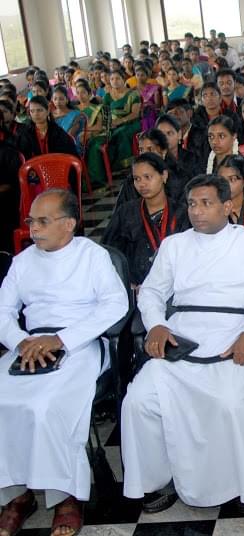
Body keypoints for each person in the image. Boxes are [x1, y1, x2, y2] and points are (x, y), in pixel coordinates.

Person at [121, 174, 244, 513]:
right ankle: (156, 480)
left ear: (227, 206)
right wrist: (156, 325)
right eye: (192, 204)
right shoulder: (174, 245)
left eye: (206, 203)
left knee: (230, 401)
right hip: (183, 334)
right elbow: (152, 292)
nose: (197, 211)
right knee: (138, 400)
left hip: (238, 331)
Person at [0, 189, 128, 536]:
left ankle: (67, 497)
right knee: (3, 400)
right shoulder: (23, 261)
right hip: (28, 345)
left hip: (79, 344)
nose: (33, 229)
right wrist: (21, 341)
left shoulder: (92, 256)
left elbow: (115, 305)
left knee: (47, 406)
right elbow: (3, 312)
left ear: (69, 224)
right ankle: (17, 496)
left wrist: (61, 340)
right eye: (31, 221)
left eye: (43, 221)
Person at [102, 153, 188, 287]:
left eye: (147, 177)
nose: (142, 184)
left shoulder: (182, 212)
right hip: (137, 288)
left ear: (164, 176)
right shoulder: (126, 212)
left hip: (177, 286)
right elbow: (110, 252)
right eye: (137, 179)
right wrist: (126, 283)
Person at [16, 96, 78, 161]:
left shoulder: (58, 132)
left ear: (48, 111)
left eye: (39, 110)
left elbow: (70, 156)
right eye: (32, 111)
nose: (36, 114)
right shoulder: (25, 134)